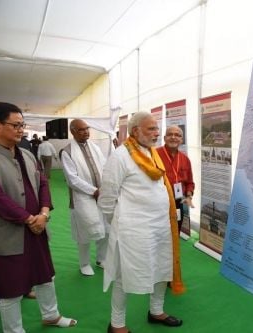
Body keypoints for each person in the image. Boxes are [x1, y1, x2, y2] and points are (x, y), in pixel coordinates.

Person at [0, 102, 76, 332]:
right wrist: (30, 219)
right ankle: (14, 330)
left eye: (22, 125)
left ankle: (51, 315)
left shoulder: (27, 153)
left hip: (38, 228)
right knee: (11, 288)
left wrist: (44, 213)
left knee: (45, 276)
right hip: (6, 235)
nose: (21, 129)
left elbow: (43, 184)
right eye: (15, 125)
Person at [98, 112, 185, 333]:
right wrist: (122, 224)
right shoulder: (120, 156)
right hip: (133, 231)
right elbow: (107, 200)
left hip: (161, 226)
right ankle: (117, 324)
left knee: (162, 269)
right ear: (135, 131)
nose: (156, 133)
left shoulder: (152, 153)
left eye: (157, 129)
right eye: (151, 129)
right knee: (123, 277)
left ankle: (156, 311)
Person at [60, 119, 109, 276]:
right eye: (81, 130)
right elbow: (72, 179)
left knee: (106, 228)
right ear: (73, 132)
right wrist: (94, 191)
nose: (86, 132)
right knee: (85, 230)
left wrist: (105, 188)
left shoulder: (95, 147)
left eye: (87, 129)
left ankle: (102, 259)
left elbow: (104, 167)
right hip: (83, 197)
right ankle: (84, 263)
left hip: (101, 194)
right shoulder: (67, 152)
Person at [157, 125, 195, 233]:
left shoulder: (185, 159)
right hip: (158, 203)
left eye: (177, 135)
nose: (173, 137)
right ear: (164, 138)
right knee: (158, 234)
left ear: (181, 140)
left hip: (178, 202)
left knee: (175, 231)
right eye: (170, 134)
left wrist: (188, 196)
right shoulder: (154, 155)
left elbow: (190, 182)